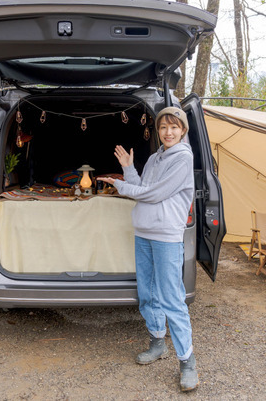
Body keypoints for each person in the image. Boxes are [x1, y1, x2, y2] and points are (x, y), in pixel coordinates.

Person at [97, 106, 198, 392]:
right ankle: (157, 343)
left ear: (183, 130)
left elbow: (154, 194)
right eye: (164, 127)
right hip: (143, 232)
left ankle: (187, 362)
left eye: (174, 127)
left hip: (166, 236)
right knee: (148, 293)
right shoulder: (155, 157)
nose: (168, 132)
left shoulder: (183, 158)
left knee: (171, 298)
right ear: (158, 130)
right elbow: (143, 188)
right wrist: (129, 169)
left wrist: (120, 184)